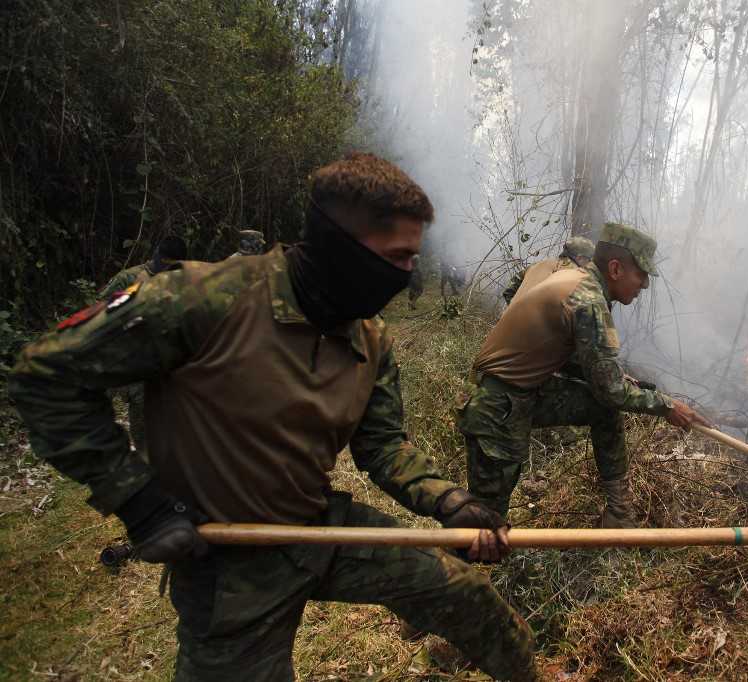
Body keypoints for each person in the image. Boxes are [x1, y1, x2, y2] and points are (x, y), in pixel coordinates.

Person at [9, 153, 536, 681]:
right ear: (341, 245)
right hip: (227, 561)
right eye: (397, 257)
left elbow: (382, 446)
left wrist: (449, 500)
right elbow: (44, 377)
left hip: (318, 531)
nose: (406, 275)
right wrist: (139, 503)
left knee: (466, 595)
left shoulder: (369, 339)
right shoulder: (207, 299)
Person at [457, 223, 710, 528]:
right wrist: (667, 406)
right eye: (640, 275)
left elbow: (589, 370)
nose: (644, 285)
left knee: (603, 409)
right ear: (615, 268)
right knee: (484, 528)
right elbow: (611, 390)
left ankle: (620, 514)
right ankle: (449, 570)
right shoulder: (588, 300)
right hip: (496, 409)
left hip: (520, 396)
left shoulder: (577, 282)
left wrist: (614, 378)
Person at [96, 234, 188, 455]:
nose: (165, 268)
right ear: (156, 254)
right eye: (163, 262)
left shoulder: (179, 282)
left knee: (142, 409)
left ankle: (145, 456)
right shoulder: (129, 278)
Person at [501, 236, 595, 305]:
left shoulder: (537, 265)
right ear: (580, 258)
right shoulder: (573, 276)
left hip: (505, 327)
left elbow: (509, 291)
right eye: (589, 260)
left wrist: (515, 312)